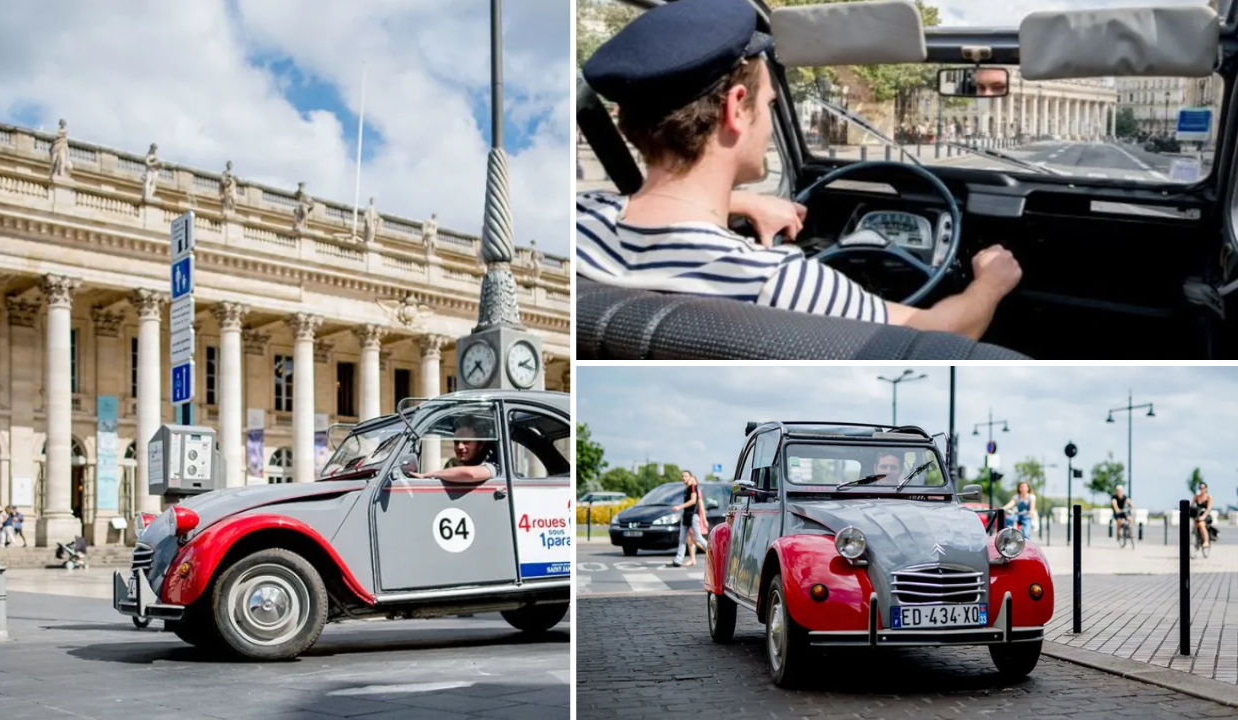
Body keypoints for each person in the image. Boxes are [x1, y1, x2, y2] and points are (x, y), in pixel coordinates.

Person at [577, 0, 1021, 342]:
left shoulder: (583, 220)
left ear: (623, 123)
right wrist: (991, 284)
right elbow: (935, 335)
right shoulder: (779, 283)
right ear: (736, 108)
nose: (771, 119)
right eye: (771, 104)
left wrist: (741, 201)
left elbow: (645, 205)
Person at [410, 416, 498, 484]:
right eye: (456, 442)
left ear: (480, 445)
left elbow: (470, 474)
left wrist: (428, 475)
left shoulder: (491, 467)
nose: (459, 446)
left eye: (466, 442)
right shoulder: (453, 466)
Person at [671, 471, 708, 567]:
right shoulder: (686, 488)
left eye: (685, 476)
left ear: (690, 477)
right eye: (682, 476)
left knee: (698, 537)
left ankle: (713, 551)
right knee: (682, 539)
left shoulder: (693, 487)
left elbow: (693, 501)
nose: (683, 477)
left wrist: (680, 507)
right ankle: (678, 560)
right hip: (686, 516)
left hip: (693, 516)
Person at [1192, 482, 1215, 549]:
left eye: (1203, 488)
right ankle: (1197, 539)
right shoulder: (1196, 496)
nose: (1201, 489)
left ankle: (1206, 541)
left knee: (1201, 524)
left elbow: (1208, 509)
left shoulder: (1208, 497)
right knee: (1196, 524)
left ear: (1205, 488)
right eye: (1200, 488)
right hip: (1198, 515)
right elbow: (1192, 506)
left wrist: (1203, 516)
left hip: (1206, 515)